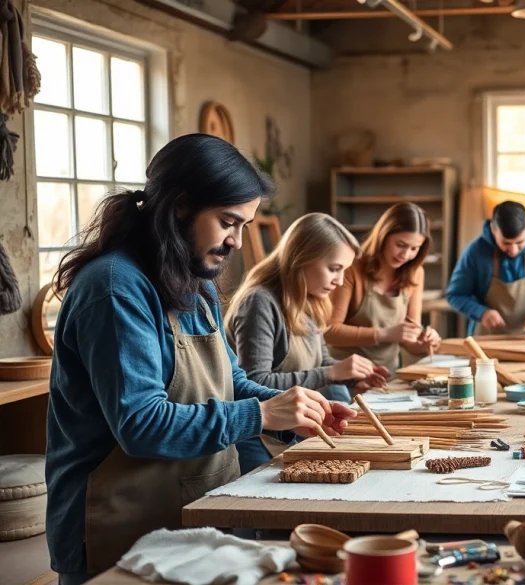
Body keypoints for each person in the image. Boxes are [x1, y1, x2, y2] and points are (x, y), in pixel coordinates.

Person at [44, 135, 356, 584]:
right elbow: (141, 425)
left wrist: (295, 407)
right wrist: (261, 413)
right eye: (228, 222)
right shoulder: (115, 289)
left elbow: (231, 382)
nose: (237, 241)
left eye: (245, 225)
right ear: (180, 206)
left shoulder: (196, 283)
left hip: (198, 508)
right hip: (118, 523)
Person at [226, 213, 389, 474]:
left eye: (344, 271)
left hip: (295, 430)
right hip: (260, 440)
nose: (339, 281)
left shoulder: (311, 300)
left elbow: (320, 362)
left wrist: (350, 378)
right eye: (334, 269)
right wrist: (331, 373)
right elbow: (253, 383)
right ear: (300, 258)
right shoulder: (260, 302)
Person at [327, 203, 441, 373]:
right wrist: (385, 334)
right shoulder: (352, 268)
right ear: (383, 236)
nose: (406, 255)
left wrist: (426, 343)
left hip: (388, 374)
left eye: (414, 248)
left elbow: (408, 340)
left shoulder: (415, 273)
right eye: (401, 244)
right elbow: (330, 332)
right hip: (344, 376)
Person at [446, 201, 525, 337]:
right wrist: (481, 312)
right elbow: (455, 295)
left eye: (520, 242)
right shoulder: (475, 251)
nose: (513, 250)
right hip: (487, 340)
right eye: (506, 243)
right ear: (493, 229)